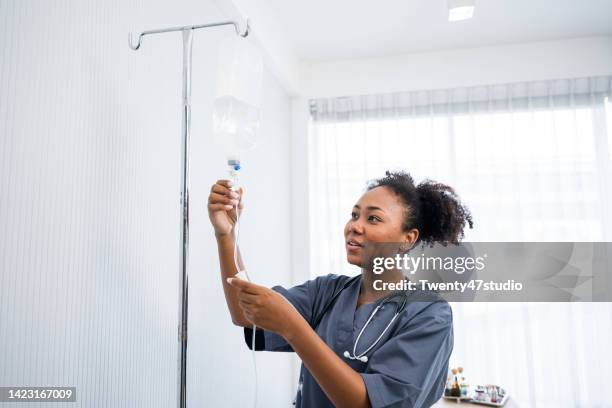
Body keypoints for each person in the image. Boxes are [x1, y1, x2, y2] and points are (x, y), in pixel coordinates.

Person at [208, 170, 473, 408]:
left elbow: (367, 404)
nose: (355, 226)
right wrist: (227, 235)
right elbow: (245, 315)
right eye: (354, 215)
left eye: (373, 218)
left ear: (408, 238)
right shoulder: (328, 292)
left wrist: (293, 327)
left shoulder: (428, 314)